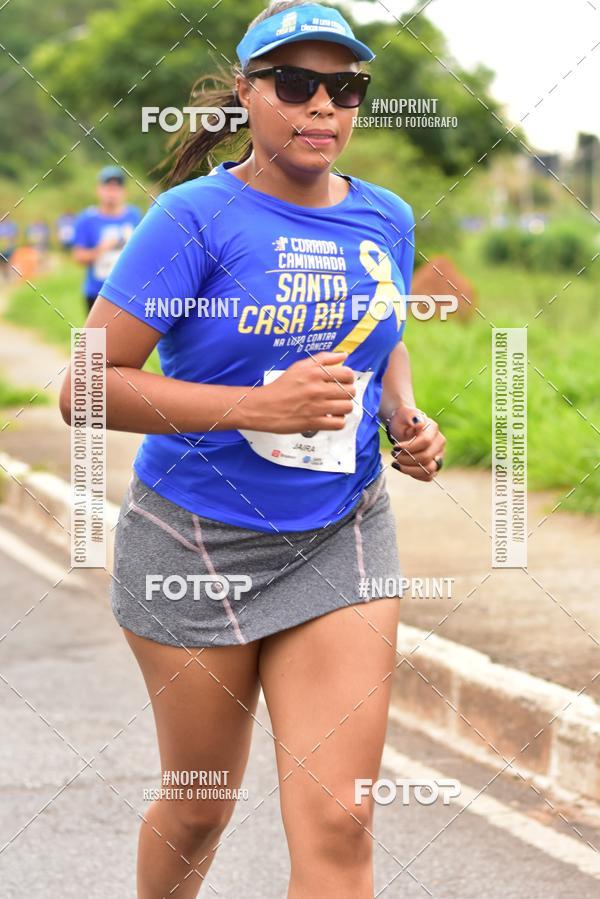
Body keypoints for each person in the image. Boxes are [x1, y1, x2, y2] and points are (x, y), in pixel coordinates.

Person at [59, 2, 446, 896]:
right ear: (246, 93)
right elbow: (87, 386)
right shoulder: (192, 219)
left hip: (339, 533)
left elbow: (382, 331)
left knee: (341, 818)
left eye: (345, 87)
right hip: (196, 540)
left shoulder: (385, 215)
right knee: (200, 804)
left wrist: (404, 416)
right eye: (296, 83)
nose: (323, 106)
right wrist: (254, 408)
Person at [71, 165, 142, 312]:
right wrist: (101, 249)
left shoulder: (135, 216)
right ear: (99, 190)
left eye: (116, 188)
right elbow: (78, 256)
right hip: (96, 292)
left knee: (125, 336)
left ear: (124, 191)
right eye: (108, 188)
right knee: (92, 335)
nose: (112, 193)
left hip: (128, 293)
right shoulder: (86, 219)